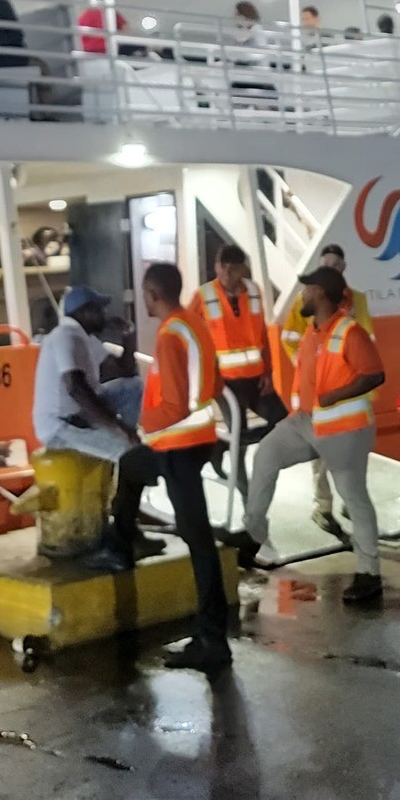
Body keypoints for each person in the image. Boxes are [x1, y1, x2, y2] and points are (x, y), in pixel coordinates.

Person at [238, 266, 389, 606]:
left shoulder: (350, 332)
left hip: (344, 428)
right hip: (305, 422)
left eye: (306, 289)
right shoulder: (313, 330)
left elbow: (375, 374)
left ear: (320, 293)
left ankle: (369, 574)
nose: (302, 294)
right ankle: (253, 534)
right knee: (266, 454)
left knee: (354, 497)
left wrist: (335, 397)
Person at [136, 262, 233, 673]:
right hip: (198, 442)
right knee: (199, 540)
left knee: (198, 542)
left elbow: (173, 405)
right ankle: (210, 635)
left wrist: (141, 428)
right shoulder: (194, 324)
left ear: (152, 293)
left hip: (178, 446)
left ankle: (212, 639)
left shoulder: (169, 335)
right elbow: (216, 384)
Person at [31, 285, 152, 570]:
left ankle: (125, 521)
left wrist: (128, 336)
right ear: (83, 312)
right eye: (98, 309)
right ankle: (118, 539)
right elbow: (77, 388)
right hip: (59, 426)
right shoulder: (65, 335)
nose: (103, 314)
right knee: (131, 455)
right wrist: (119, 428)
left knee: (133, 387)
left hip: (80, 415)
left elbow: (125, 372)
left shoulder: (84, 337)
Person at [277, 244, 373, 539]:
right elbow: (289, 337)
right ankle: (324, 508)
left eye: (334, 263)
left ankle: (348, 502)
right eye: (325, 264)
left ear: (343, 267)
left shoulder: (357, 300)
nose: (330, 267)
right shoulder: (305, 299)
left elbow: (367, 339)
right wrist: (305, 366)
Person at [196, 245, 283, 485]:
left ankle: (219, 447)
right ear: (216, 266)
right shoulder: (203, 296)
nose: (225, 272)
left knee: (282, 421)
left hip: (255, 378)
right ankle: (246, 494)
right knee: (239, 438)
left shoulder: (255, 291)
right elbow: (193, 339)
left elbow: (263, 335)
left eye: (232, 268)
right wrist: (209, 377)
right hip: (224, 382)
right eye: (221, 266)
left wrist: (268, 370)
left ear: (242, 270)